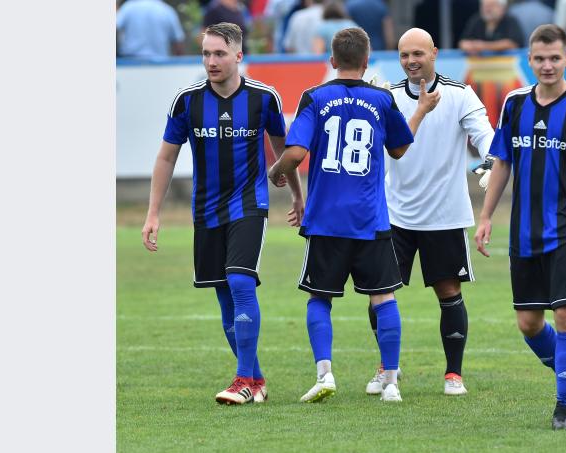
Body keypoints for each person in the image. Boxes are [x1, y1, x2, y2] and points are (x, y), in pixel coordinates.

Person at [141, 22, 304, 405]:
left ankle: (243, 380)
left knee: (242, 283)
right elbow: (166, 156)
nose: (211, 61)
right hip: (206, 210)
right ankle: (257, 379)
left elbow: (285, 153)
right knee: (225, 300)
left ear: (238, 56)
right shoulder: (187, 101)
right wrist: (153, 213)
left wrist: (298, 196)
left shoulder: (264, 99)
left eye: (219, 54)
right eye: (206, 54)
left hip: (249, 204)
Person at [268, 27, 431, 403]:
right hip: (370, 219)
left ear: (332, 61)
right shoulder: (381, 98)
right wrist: (421, 110)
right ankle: (390, 381)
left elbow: (294, 155)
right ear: (367, 61)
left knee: (319, 299)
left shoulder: (315, 97)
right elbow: (400, 149)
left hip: (326, 220)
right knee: (383, 298)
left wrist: (275, 171)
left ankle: (325, 374)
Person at [474, 24, 566, 430]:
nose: (547, 65)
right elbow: (501, 162)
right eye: (539, 58)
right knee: (529, 323)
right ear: (529, 60)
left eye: (555, 58)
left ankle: (563, 407)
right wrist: (485, 216)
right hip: (524, 232)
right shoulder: (514, 104)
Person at [363, 28, 493, 397]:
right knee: (380, 293)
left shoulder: (458, 94)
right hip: (394, 214)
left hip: (445, 214)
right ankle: (387, 366)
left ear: (435, 52)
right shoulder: (386, 97)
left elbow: (484, 134)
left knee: (449, 291)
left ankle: (454, 374)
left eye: (418, 53)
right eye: (405, 55)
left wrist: (491, 156)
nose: (411, 61)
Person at [116, 0, 185, 58]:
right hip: (160, 64)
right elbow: (178, 45)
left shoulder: (129, 7)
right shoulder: (167, 10)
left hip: (129, 63)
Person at [458, 0, 524, 55]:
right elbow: (462, 42)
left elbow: (513, 44)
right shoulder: (476, 20)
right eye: (485, 6)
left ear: (502, 8)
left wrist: (483, 46)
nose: (487, 9)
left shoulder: (510, 21)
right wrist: (469, 47)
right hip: (480, 65)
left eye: (491, 6)